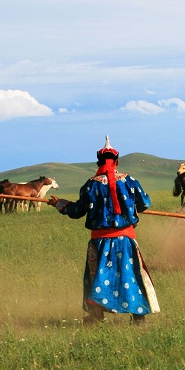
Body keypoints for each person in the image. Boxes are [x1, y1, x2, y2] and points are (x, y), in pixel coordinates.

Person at [47, 136, 159, 325]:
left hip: (100, 242)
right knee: (130, 275)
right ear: (117, 161)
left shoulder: (91, 184)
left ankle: (96, 316)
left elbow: (76, 211)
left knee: (98, 276)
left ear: (98, 162)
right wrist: (131, 208)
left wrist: (59, 204)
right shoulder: (130, 181)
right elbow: (146, 203)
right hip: (125, 241)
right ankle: (139, 317)